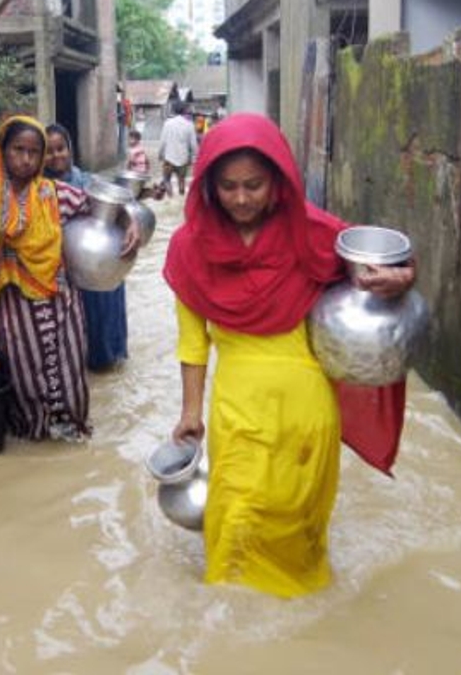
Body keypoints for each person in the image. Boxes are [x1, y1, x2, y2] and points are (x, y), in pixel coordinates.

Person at [163, 113, 416, 598]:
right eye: (229, 186)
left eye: (254, 185)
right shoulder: (189, 248)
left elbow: (391, 259)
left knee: (297, 530)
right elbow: (192, 342)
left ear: (278, 181)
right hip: (236, 410)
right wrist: (191, 412)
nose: (241, 198)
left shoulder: (316, 233)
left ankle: (303, 628)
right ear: (209, 187)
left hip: (306, 412)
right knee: (233, 520)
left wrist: (403, 278)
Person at [0, 115, 92, 441]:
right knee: (25, 380)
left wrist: (129, 221)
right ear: (2, 150)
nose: (26, 159)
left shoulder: (54, 193)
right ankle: (33, 439)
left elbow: (102, 208)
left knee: (70, 372)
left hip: (61, 302)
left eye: (35, 152)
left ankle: (73, 432)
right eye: (18, 149)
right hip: (13, 310)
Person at [43, 122, 139, 372]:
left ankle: (110, 366)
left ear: (70, 148)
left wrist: (132, 224)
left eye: (61, 148)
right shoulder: (39, 191)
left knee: (104, 327)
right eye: (49, 151)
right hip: (64, 271)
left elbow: (122, 204)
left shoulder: (89, 182)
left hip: (98, 267)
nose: (56, 156)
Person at [158, 100, 198, 196]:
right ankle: (181, 196)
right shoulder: (189, 124)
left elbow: (162, 142)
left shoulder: (167, 123)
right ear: (184, 110)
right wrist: (194, 159)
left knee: (166, 179)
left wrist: (160, 155)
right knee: (181, 180)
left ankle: (171, 197)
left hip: (169, 158)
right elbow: (193, 145)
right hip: (183, 158)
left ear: (173, 110)